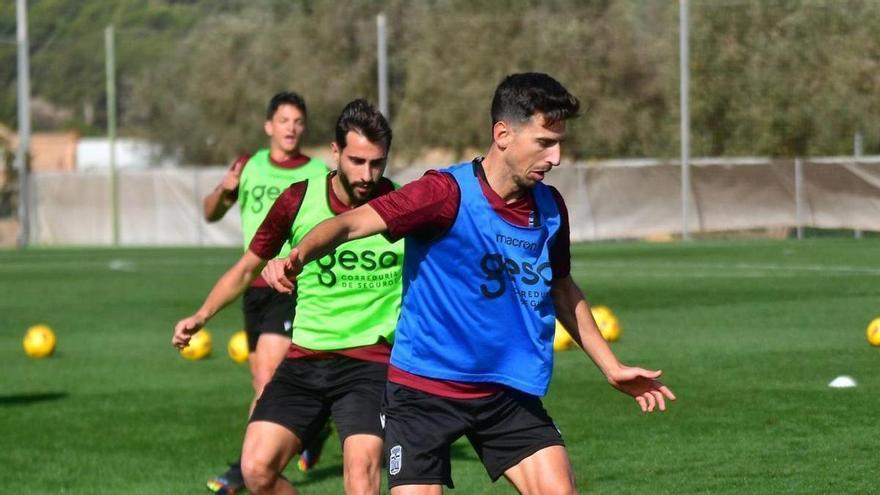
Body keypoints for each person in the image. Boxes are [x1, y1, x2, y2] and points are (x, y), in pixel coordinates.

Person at [261, 73, 677, 494]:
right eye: (544, 143)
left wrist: (611, 366)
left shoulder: (551, 209)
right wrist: (297, 255)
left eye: (560, 143)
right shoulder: (442, 193)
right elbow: (350, 225)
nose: (556, 157)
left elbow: (562, 288)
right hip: (423, 391)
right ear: (503, 135)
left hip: (504, 390)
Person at [174, 98, 402, 495]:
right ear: (335, 152)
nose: (368, 174)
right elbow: (248, 267)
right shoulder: (298, 199)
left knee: (361, 472)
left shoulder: (402, 206)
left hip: (370, 362)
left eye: (377, 163)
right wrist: (202, 315)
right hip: (305, 359)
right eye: (357, 161)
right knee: (256, 470)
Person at [200, 91, 329, 493]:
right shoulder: (249, 166)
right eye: (284, 121)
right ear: (268, 126)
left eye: (298, 121)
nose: (291, 128)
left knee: (265, 378)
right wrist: (224, 189)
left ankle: (248, 467)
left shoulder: (317, 173)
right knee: (260, 377)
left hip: (289, 281)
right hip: (252, 286)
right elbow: (210, 213)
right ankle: (315, 427)